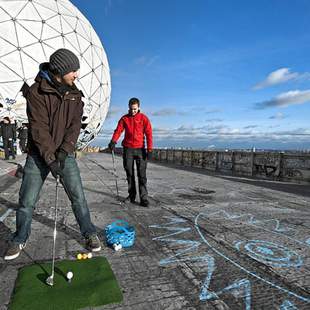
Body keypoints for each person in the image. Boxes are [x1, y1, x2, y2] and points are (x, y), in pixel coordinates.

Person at [4, 48, 101, 260]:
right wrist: (50, 159)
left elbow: (75, 127)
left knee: (78, 197)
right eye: (73, 70)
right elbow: (39, 130)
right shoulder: (36, 92)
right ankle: (20, 237)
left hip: (64, 156)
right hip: (39, 156)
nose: (77, 75)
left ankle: (89, 232)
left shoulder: (75, 96)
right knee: (27, 200)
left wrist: (64, 152)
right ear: (60, 70)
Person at [108, 97, 153, 207]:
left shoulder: (143, 118)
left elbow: (149, 134)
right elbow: (118, 130)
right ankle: (131, 196)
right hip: (128, 149)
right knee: (130, 173)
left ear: (138, 108)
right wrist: (113, 141)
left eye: (135, 109)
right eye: (131, 109)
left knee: (142, 175)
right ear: (128, 107)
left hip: (140, 149)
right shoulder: (124, 119)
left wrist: (150, 149)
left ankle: (144, 198)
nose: (133, 111)